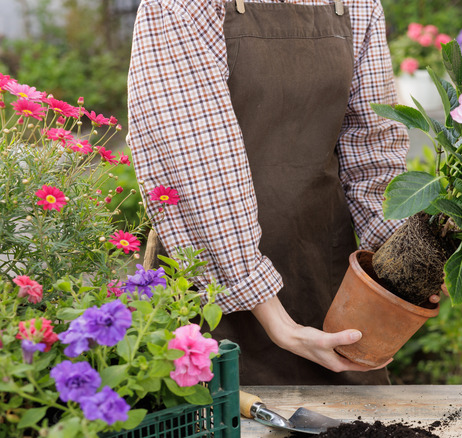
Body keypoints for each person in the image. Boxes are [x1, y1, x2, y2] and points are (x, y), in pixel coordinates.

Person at [127, 0, 427, 385]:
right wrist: (279, 323)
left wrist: (404, 268)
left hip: (327, 280)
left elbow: (373, 152)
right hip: (209, 283)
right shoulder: (181, 7)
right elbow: (197, 166)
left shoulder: (358, 5)